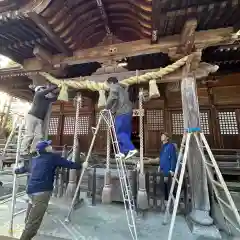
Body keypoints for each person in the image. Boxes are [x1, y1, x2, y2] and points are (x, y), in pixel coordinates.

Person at [14, 140, 81, 240]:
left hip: (31, 190)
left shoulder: (33, 158)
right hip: (42, 192)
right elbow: (69, 164)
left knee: (31, 213)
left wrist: (16, 170)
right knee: (34, 221)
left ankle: (26, 226)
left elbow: (23, 169)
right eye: (49, 145)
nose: (51, 146)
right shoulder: (53, 157)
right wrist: (81, 165)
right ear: (46, 148)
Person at [21, 85, 60, 158]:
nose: (44, 89)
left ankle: (33, 150)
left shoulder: (46, 99)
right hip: (32, 116)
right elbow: (47, 90)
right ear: (39, 90)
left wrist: (60, 90)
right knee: (29, 135)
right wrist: (55, 86)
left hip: (40, 119)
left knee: (39, 136)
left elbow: (55, 98)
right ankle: (23, 151)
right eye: (43, 88)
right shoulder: (38, 95)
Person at [105, 77, 138, 160]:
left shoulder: (115, 86)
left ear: (111, 83)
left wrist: (107, 107)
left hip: (121, 113)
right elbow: (118, 102)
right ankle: (122, 152)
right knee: (125, 133)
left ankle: (131, 149)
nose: (108, 87)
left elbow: (112, 97)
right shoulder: (124, 90)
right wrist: (113, 110)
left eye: (108, 85)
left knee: (119, 133)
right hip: (128, 113)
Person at [159, 132, 177, 202]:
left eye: (163, 136)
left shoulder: (170, 146)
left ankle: (173, 200)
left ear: (167, 138)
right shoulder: (162, 146)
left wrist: (172, 169)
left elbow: (173, 158)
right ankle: (166, 200)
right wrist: (159, 166)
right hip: (163, 168)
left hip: (168, 169)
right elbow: (161, 157)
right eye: (161, 136)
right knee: (164, 185)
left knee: (170, 185)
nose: (162, 137)